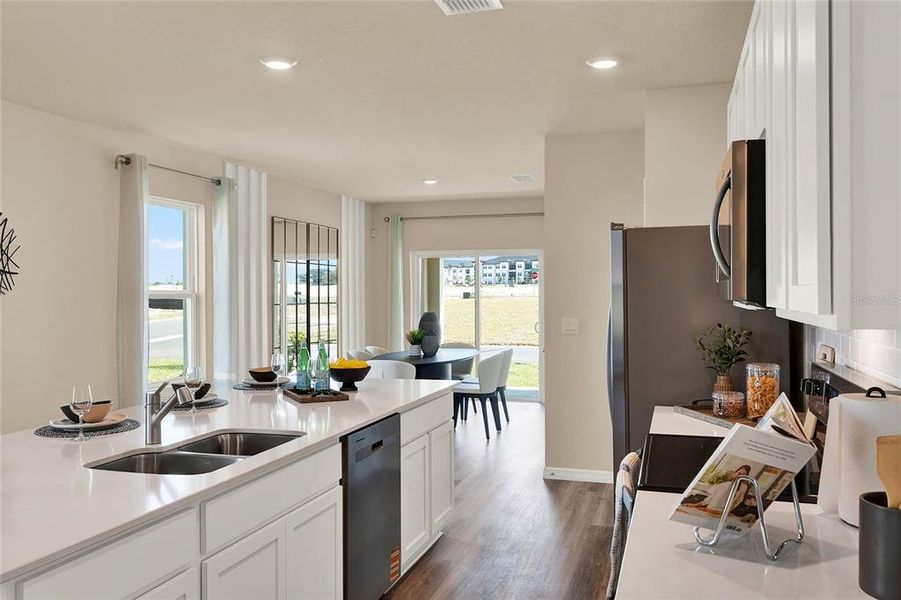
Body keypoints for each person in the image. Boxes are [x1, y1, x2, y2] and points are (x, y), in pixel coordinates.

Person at [684, 465, 752, 514]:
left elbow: (737, 502)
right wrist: (694, 505)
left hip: (719, 513)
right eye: (738, 473)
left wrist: (723, 513)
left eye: (742, 475)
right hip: (709, 509)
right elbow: (708, 499)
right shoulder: (725, 484)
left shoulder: (743, 487)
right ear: (735, 473)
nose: (739, 476)